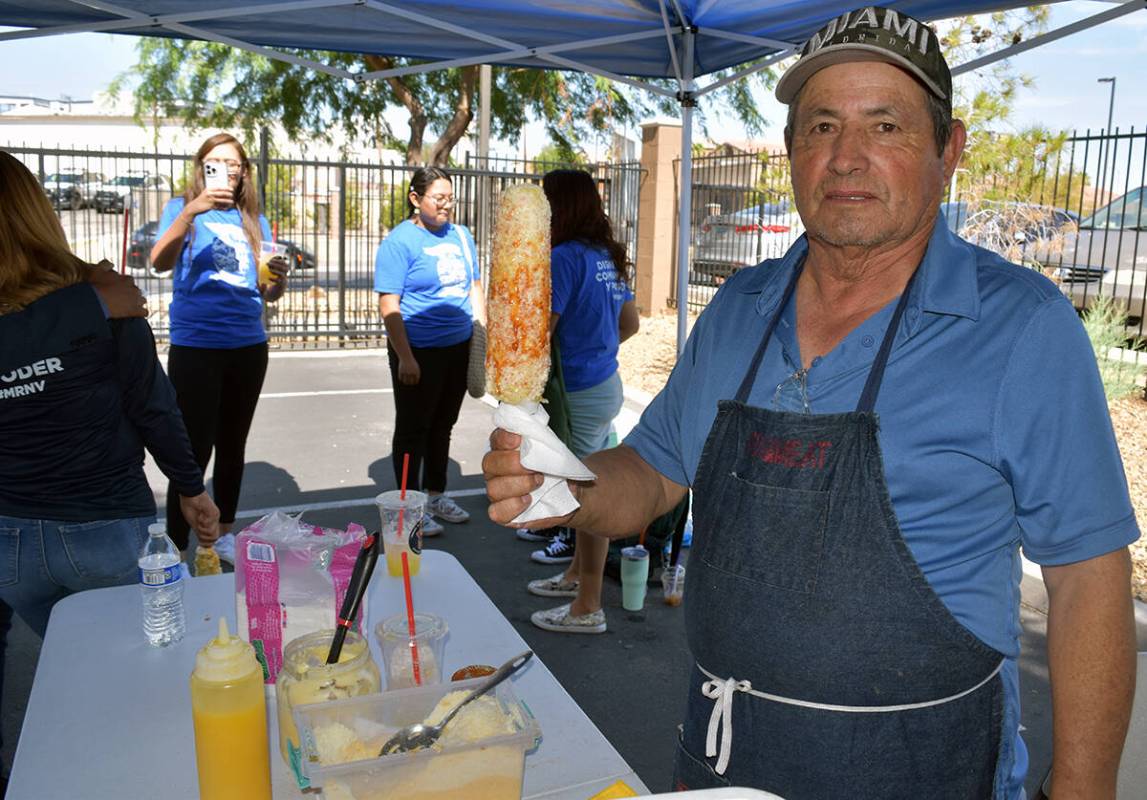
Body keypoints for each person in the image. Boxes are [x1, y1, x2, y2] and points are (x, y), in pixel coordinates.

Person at [482, 7, 1138, 798]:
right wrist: (565, 488)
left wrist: (1084, 786)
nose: (845, 158)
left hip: (926, 769)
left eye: (885, 126)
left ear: (948, 150)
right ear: (793, 151)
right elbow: (652, 475)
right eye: (820, 126)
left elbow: (1086, 576)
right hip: (726, 761)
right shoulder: (739, 307)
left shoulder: (1021, 327)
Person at [0, 149, 220, 638]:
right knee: (148, 667)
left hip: (9, 539)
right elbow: (153, 406)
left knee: (70, 666)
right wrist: (191, 488)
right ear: (37, 213)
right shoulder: (102, 301)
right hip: (105, 528)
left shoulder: (99, 298)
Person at [150, 132, 287, 561]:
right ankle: (177, 541)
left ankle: (224, 533)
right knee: (192, 449)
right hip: (197, 346)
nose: (224, 170)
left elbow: (267, 292)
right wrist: (193, 210)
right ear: (201, 168)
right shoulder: (181, 209)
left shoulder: (255, 220)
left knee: (233, 443)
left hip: (248, 345)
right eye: (214, 162)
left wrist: (277, 280)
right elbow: (158, 262)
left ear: (243, 172)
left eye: (232, 164)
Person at [522, 169, 639, 634]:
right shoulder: (604, 255)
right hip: (603, 385)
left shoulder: (564, 258)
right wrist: (597, 349)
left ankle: (588, 606)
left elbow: (538, 333)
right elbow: (629, 323)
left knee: (585, 494)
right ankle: (576, 577)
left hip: (577, 394)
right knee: (584, 482)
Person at [375, 166, 485, 535]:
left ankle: (436, 495)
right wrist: (405, 356)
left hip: (458, 346)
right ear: (415, 199)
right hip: (418, 350)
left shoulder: (461, 235)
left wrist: (480, 335)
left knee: (443, 425)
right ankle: (408, 509)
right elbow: (389, 304)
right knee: (412, 429)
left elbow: (474, 285)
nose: (446, 205)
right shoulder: (400, 242)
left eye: (450, 198)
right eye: (439, 198)